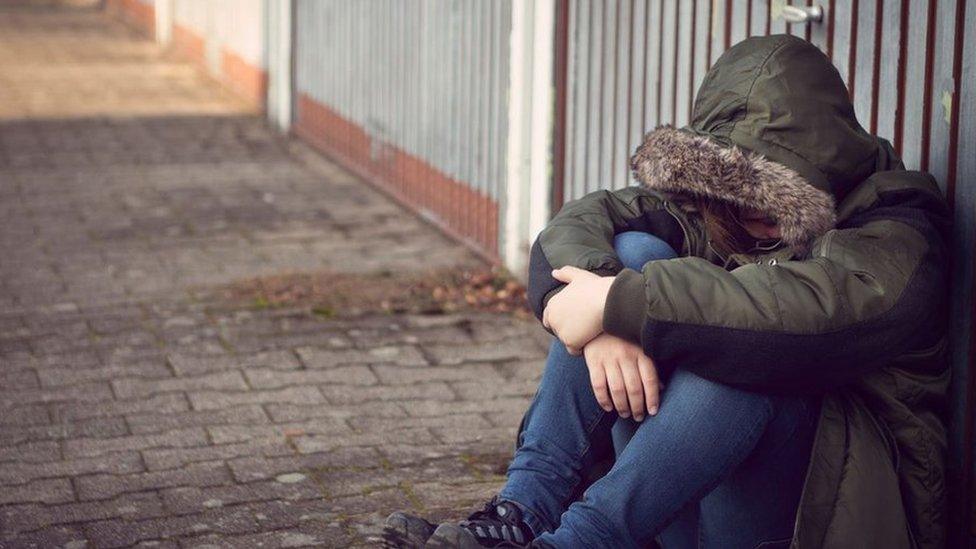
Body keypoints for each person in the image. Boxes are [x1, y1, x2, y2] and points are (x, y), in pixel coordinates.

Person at [382, 34, 950, 549]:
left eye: (784, 195)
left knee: (736, 349)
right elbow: (582, 222)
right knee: (630, 253)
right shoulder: (707, 211)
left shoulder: (895, 226)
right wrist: (605, 328)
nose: (759, 214)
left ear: (828, 167)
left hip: (815, 518)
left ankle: (578, 541)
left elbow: (799, 315)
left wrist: (615, 306)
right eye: (741, 192)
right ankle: (523, 514)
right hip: (678, 504)